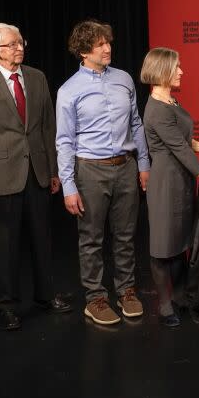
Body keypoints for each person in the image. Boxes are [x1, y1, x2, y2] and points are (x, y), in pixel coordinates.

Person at [0, 22, 72, 331]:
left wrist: (53, 170)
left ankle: (45, 295)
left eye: (20, 42)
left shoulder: (37, 78)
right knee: (5, 245)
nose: (19, 47)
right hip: (1, 178)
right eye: (12, 44)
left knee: (42, 239)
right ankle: (7, 305)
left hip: (37, 172)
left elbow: (48, 128)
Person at [56, 19, 151, 326]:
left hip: (125, 167)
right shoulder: (69, 90)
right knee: (92, 239)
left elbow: (136, 123)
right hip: (90, 172)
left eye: (108, 42)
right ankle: (95, 297)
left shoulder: (123, 79)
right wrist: (69, 186)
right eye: (99, 44)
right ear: (84, 51)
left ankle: (126, 291)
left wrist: (144, 164)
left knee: (125, 236)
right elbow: (64, 140)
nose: (107, 48)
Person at [140, 47, 199, 328]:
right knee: (163, 245)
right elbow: (177, 148)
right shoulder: (156, 108)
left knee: (178, 242)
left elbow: (182, 140)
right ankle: (165, 305)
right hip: (166, 182)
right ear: (162, 71)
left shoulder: (171, 102)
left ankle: (178, 296)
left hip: (181, 179)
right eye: (176, 67)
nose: (181, 72)